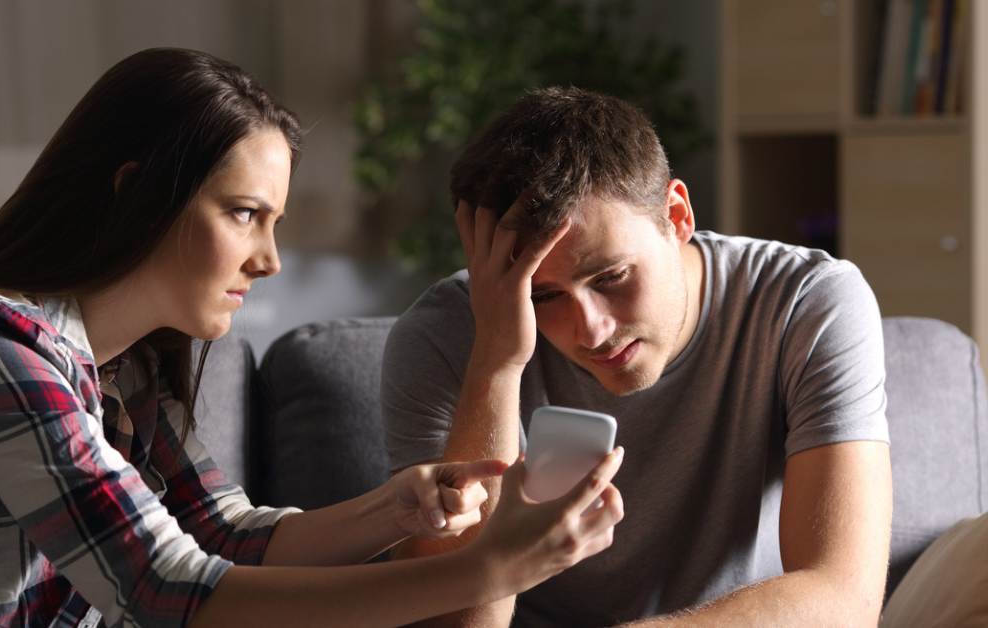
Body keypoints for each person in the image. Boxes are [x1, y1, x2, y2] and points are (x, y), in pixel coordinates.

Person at [0, 49, 626, 628]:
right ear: (137, 193)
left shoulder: (127, 374)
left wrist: (392, 506)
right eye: (244, 215)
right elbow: (161, 590)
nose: (268, 260)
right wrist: (492, 571)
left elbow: (216, 533)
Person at [382, 88, 893, 627]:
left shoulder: (807, 304)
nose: (593, 330)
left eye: (611, 277)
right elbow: (457, 625)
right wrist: (495, 363)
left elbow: (843, 603)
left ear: (676, 215)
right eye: (544, 296)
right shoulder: (443, 336)